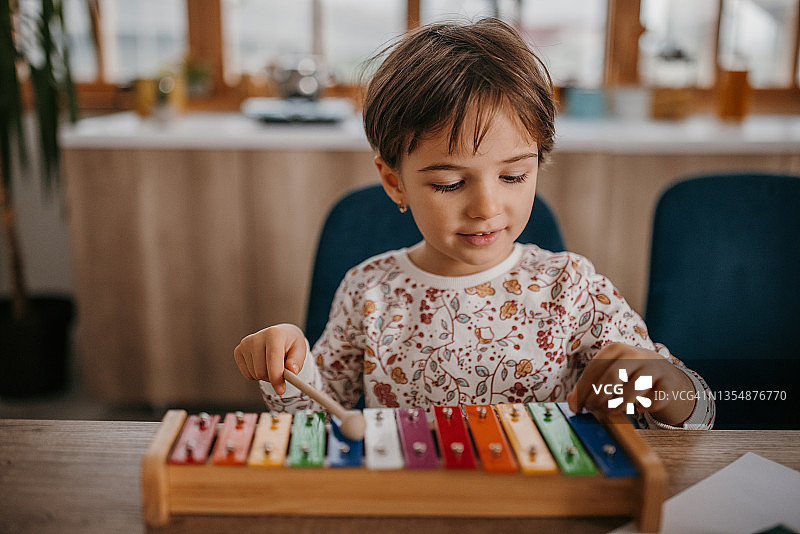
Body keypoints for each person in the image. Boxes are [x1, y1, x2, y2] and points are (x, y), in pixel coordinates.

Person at [234, 18, 714, 430]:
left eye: (513, 175)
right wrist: (287, 365)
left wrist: (661, 386)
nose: (487, 206)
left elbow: (693, 413)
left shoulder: (571, 288)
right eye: (448, 183)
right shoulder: (368, 290)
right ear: (394, 182)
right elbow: (319, 423)